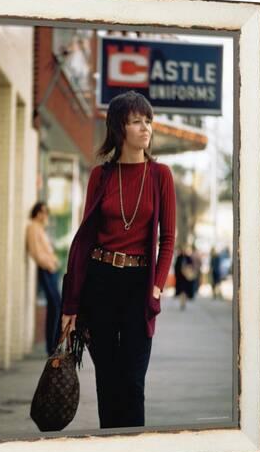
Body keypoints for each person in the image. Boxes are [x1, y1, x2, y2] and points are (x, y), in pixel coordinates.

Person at [60, 91, 176, 429]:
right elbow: (84, 242)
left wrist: (156, 287)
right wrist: (72, 303)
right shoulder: (101, 176)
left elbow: (167, 239)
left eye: (148, 121)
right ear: (119, 128)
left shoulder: (160, 176)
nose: (146, 128)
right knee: (108, 382)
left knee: (132, 382)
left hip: (138, 286)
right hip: (100, 284)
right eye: (136, 121)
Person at [26, 202, 61, 356]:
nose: (45, 215)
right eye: (43, 212)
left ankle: (53, 345)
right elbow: (35, 251)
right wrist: (49, 264)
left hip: (51, 269)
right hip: (45, 270)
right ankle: (51, 346)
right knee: (55, 304)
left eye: (47, 212)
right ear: (37, 213)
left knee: (56, 306)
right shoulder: (33, 227)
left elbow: (47, 250)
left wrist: (54, 261)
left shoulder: (41, 228)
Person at [174, 244, 196, 310]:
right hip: (180, 278)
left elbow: (192, 267)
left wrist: (188, 271)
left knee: (185, 291)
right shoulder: (179, 257)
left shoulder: (188, 258)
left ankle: (184, 302)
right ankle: (182, 303)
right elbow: (176, 267)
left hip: (186, 278)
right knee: (181, 291)